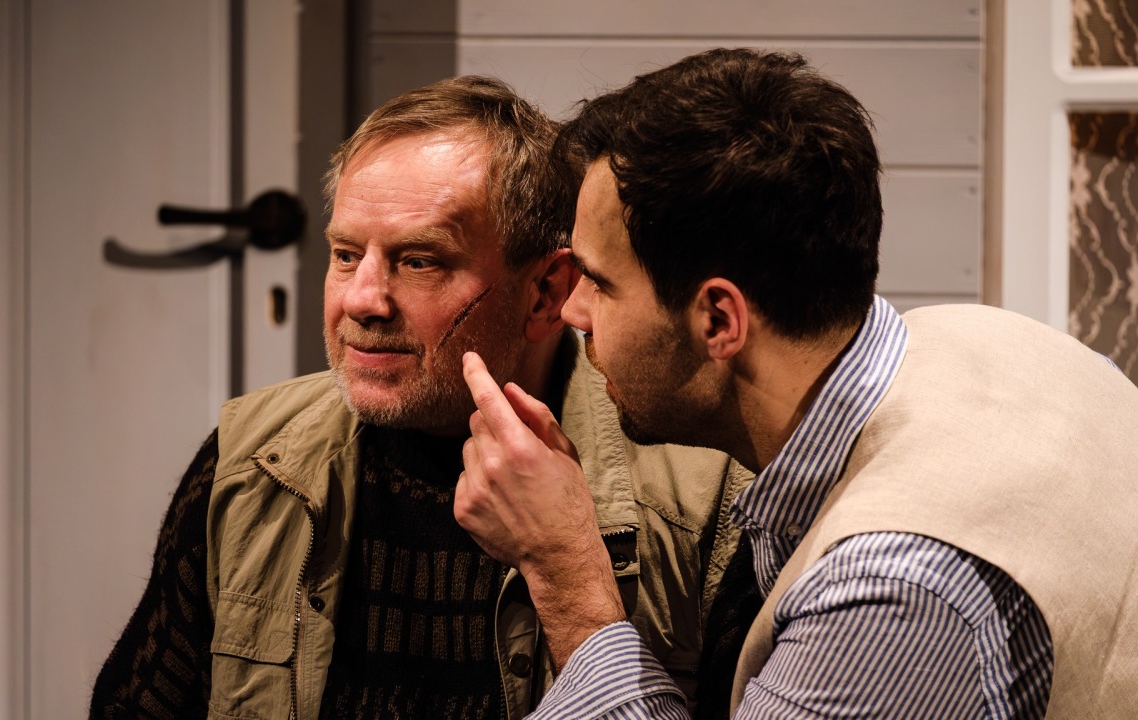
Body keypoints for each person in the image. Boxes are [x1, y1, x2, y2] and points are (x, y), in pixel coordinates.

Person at [455, 48, 1138, 720]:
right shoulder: (997, 336)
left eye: (601, 284)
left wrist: (568, 579)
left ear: (718, 319)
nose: (573, 311)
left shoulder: (891, 589)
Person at [89, 75, 757, 720]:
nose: (362, 300)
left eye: (419, 261)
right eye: (345, 254)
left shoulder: (703, 503)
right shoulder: (254, 459)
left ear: (546, 294)